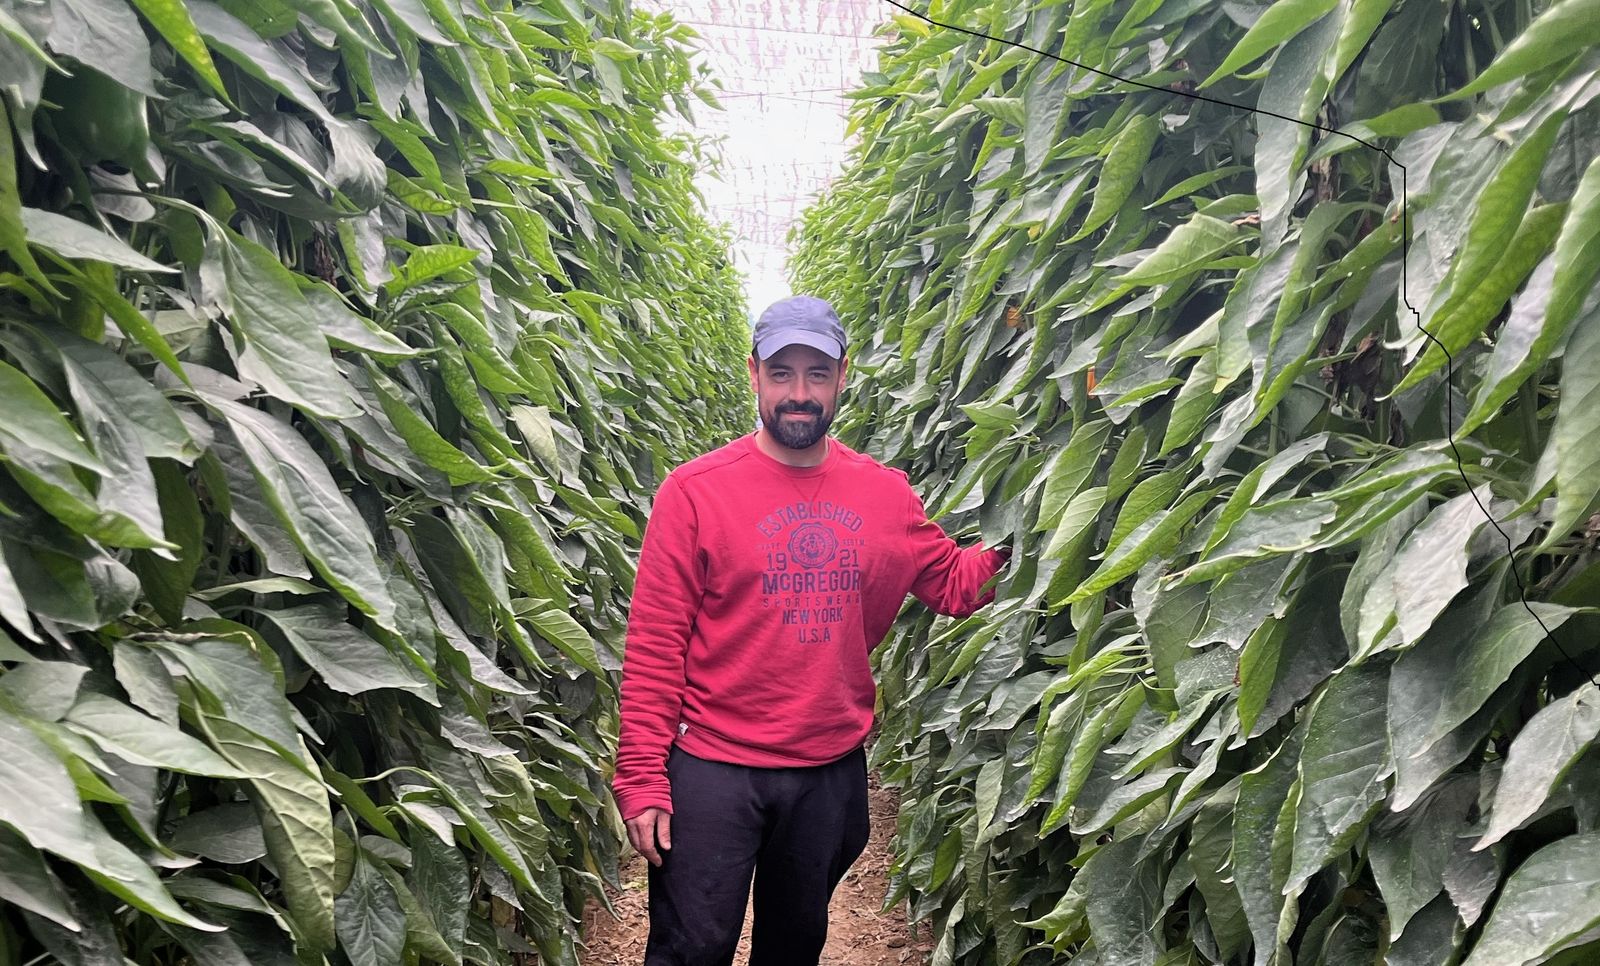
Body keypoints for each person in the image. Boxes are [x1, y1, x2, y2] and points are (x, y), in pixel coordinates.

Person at [612, 294, 1010, 965]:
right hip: (715, 766)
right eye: (782, 373)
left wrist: (1030, 527)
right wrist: (643, 777)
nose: (799, 394)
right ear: (755, 374)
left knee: (794, 946)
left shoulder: (883, 494)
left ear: (841, 378)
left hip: (827, 772)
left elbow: (955, 583)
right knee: (691, 948)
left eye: (816, 374)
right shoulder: (695, 492)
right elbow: (655, 644)